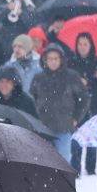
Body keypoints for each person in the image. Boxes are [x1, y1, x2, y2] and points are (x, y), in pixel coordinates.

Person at [31, 45, 88, 179]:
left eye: (56, 58)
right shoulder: (38, 78)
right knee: (44, 162)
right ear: (45, 60)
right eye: (50, 59)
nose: (53, 62)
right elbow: (31, 100)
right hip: (43, 127)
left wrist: (76, 118)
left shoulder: (72, 77)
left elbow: (84, 99)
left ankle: (62, 186)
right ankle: (45, 188)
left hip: (64, 126)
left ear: (61, 60)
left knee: (63, 162)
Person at [67, 33, 97, 176]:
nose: (82, 47)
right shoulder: (71, 62)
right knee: (77, 137)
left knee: (92, 138)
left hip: (94, 104)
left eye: (85, 44)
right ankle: (75, 167)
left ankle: (91, 167)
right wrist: (78, 83)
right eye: (80, 44)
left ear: (90, 46)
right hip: (76, 105)